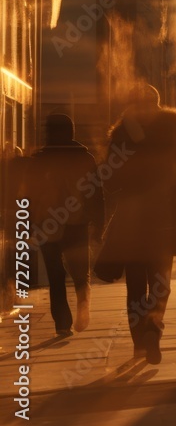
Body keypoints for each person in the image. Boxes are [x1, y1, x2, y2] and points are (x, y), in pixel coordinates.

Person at [102, 84, 176, 363]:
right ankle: (153, 332)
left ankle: (138, 344)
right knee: (160, 285)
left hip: (131, 224)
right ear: (158, 104)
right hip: (162, 221)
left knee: (135, 287)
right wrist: (170, 185)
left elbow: (109, 180)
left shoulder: (121, 137)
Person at [27, 114, 105, 336]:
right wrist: (99, 224)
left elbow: (28, 197)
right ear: (72, 132)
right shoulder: (84, 158)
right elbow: (95, 194)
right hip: (76, 223)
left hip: (47, 223)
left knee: (55, 275)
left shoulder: (38, 160)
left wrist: (28, 224)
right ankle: (83, 303)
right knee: (80, 273)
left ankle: (62, 323)